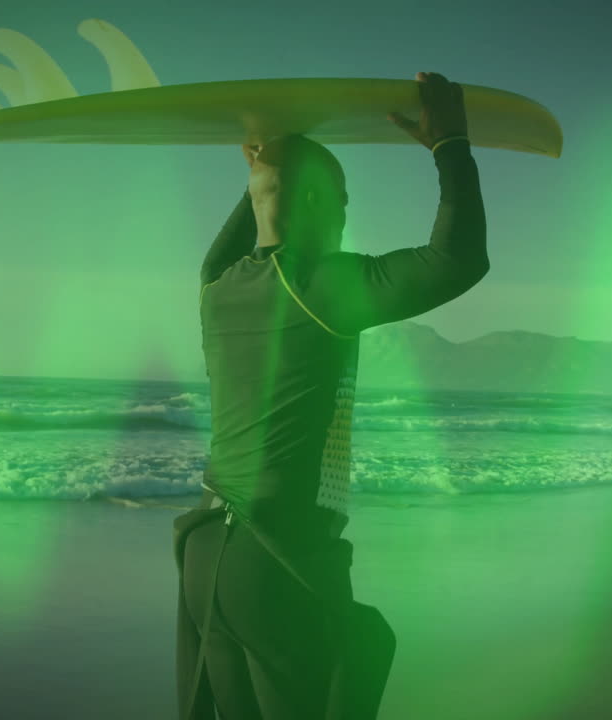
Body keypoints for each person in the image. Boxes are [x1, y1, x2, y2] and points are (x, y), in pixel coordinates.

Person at [175, 71, 488, 719]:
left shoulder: (216, 287)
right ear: (319, 201)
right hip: (276, 559)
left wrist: (269, 162)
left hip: (207, 561)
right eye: (341, 200)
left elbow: (256, 220)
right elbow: (458, 259)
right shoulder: (320, 288)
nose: (345, 216)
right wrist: (448, 144)